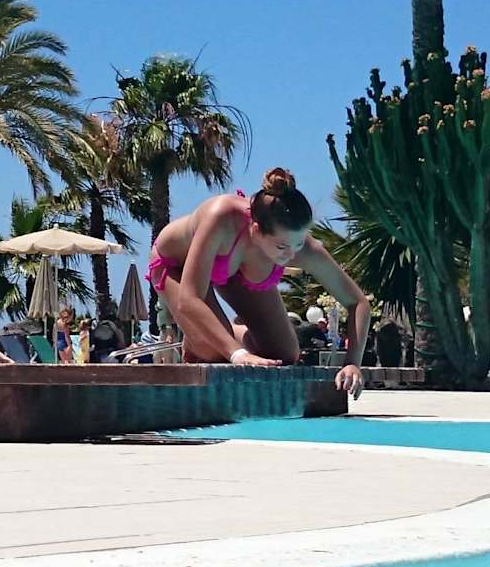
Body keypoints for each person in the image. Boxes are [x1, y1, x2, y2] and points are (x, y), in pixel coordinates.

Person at [145, 169, 366, 396]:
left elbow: (358, 302)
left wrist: (352, 363)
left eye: (298, 243)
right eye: (281, 247)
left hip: (232, 269)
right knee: (213, 351)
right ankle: (197, 340)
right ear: (256, 229)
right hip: (176, 265)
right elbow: (189, 299)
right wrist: (237, 354)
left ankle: (227, 332)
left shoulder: (300, 247)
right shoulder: (220, 218)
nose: (291, 255)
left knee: (284, 354)